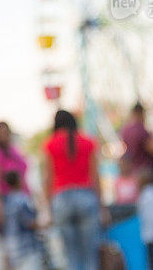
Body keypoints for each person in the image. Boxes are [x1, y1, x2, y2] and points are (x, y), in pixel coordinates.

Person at [42, 110, 102, 270]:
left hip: (61, 200)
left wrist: (48, 209)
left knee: (71, 256)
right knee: (90, 255)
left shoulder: (50, 144)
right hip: (86, 197)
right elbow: (95, 177)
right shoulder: (88, 142)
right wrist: (102, 208)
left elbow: (48, 179)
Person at [0, 121, 30, 268]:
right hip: (6, 203)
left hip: (21, 200)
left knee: (25, 245)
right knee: (9, 248)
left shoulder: (14, 152)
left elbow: (24, 178)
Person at [3, 171, 44, 270]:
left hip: (12, 245)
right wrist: (44, 225)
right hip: (26, 246)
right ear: (18, 181)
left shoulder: (6, 200)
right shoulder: (22, 199)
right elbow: (28, 221)